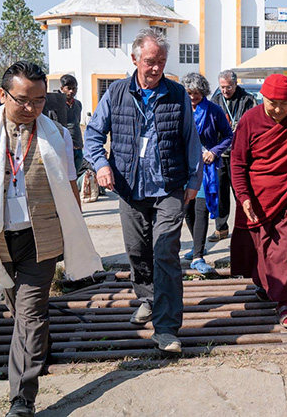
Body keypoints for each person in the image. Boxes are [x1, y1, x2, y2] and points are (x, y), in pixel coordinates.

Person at [0, 62, 102, 417]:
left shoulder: (57, 135)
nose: (31, 108)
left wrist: (74, 232)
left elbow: (70, 188)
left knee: (30, 314)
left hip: (40, 238)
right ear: (3, 95)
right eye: (23, 100)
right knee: (20, 311)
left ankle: (21, 399)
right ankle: (40, 346)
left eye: (39, 100)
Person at [85, 28, 202, 354]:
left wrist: (194, 182)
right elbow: (93, 135)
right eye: (150, 61)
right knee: (137, 251)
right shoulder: (117, 92)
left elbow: (191, 140)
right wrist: (101, 164)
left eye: (161, 61)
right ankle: (148, 298)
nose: (156, 68)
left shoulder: (177, 94)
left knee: (165, 252)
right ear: (135, 59)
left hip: (169, 187)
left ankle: (166, 329)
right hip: (130, 187)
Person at [230, 74, 287, 327]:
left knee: (285, 251)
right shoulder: (250, 120)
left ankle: (284, 302)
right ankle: (264, 284)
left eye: (284, 104)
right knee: (260, 249)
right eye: (272, 103)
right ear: (262, 98)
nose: (278, 109)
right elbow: (238, 162)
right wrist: (243, 196)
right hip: (257, 196)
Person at [180, 73, 233, 274]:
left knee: (200, 209)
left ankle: (198, 256)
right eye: (189, 93)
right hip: (184, 167)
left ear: (203, 92)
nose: (193, 97)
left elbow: (228, 136)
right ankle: (197, 246)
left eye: (197, 93)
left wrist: (214, 152)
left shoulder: (213, 110)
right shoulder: (180, 109)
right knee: (187, 209)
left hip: (205, 168)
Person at [211, 70, 258, 241]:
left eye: (228, 87)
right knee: (220, 193)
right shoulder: (215, 101)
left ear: (235, 84)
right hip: (220, 155)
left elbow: (254, 124)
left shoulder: (248, 100)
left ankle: (245, 226)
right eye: (222, 87)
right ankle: (221, 228)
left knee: (241, 192)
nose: (225, 91)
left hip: (240, 155)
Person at [60, 74, 84, 174]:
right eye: (68, 88)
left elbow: (77, 123)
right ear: (62, 89)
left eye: (74, 89)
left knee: (76, 174)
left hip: (78, 147)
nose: (71, 91)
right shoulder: (58, 105)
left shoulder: (78, 104)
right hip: (65, 148)